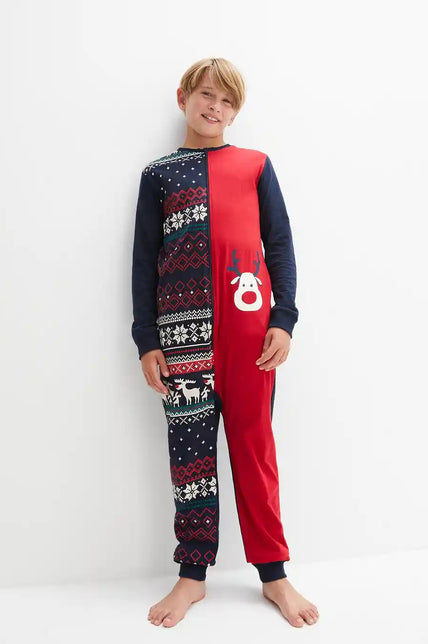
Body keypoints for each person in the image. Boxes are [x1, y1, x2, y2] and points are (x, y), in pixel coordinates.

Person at [131, 57, 319, 629]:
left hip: (249, 337)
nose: (216, 107)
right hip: (181, 336)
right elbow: (144, 261)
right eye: (207, 95)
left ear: (236, 112)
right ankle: (192, 576)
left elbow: (279, 243)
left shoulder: (255, 165)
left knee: (255, 449)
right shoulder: (159, 175)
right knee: (190, 456)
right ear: (184, 97)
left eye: (228, 101)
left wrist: (283, 318)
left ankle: (274, 573)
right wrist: (146, 338)